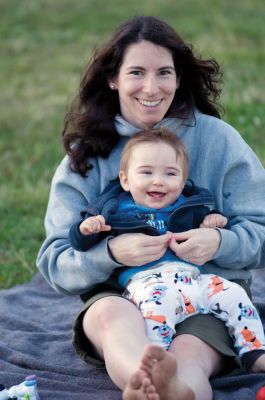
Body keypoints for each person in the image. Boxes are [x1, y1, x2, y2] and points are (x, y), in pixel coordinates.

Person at [36, 15, 265, 400]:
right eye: (136, 72)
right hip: (121, 294)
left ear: (178, 79)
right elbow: (56, 262)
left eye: (163, 73)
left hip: (206, 291)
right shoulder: (88, 156)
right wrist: (109, 253)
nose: (151, 87)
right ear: (113, 79)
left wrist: (219, 241)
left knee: (190, 352)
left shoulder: (218, 140)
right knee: (113, 320)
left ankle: (179, 389)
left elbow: (260, 228)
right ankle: (144, 381)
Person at [69, 127, 265, 366]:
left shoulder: (190, 205)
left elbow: (212, 221)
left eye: (170, 174)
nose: (159, 181)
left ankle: (253, 352)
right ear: (125, 180)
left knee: (234, 294)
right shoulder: (115, 210)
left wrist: (214, 224)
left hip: (193, 280)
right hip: (148, 283)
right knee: (156, 310)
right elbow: (80, 242)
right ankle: (157, 361)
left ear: (183, 182)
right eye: (147, 172)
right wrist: (87, 228)